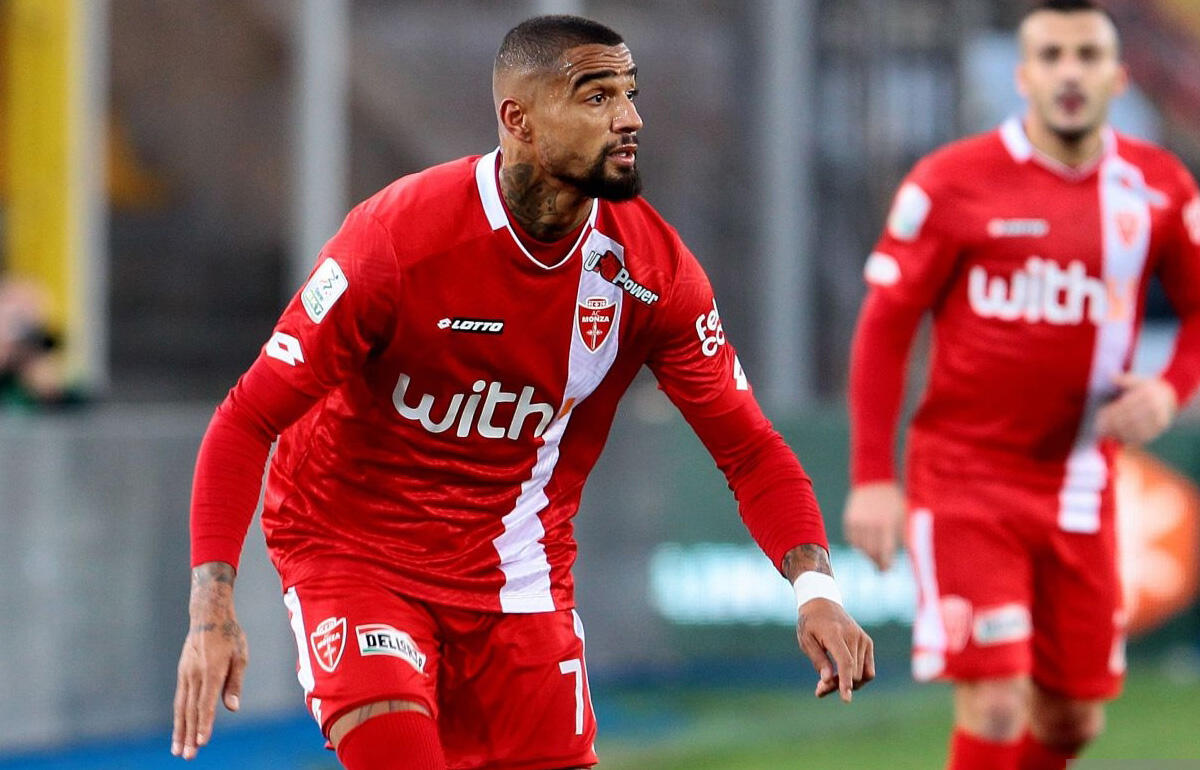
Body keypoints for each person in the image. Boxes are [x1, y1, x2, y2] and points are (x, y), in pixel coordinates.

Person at [173, 15, 874, 770]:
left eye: (630, 94)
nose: (630, 118)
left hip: (518, 573)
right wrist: (212, 609)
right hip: (355, 553)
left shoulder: (653, 273)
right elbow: (246, 419)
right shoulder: (395, 241)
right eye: (597, 97)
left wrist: (817, 591)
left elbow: (749, 449)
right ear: (519, 120)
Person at [843, 1, 1200, 768]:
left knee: (1071, 720)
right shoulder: (952, 182)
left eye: (1086, 55)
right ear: (1023, 76)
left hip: (1081, 484)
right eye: (1052, 55)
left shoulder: (1160, 187)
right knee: (998, 701)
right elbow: (885, 326)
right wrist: (873, 477)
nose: (1070, 72)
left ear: (1118, 76)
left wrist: (1170, 389)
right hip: (966, 481)